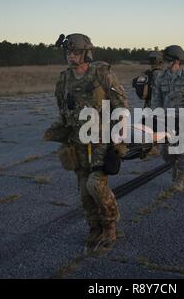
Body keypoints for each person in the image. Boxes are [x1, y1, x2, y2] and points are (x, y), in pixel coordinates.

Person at [43, 34, 129, 255]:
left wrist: (118, 139)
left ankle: (110, 227)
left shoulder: (102, 73)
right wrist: (58, 133)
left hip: (101, 139)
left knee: (96, 185)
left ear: (87, 53)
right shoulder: (63, 79)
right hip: (77, 141)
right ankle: (94, 228)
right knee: (83, 191)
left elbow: (121, 106)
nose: (72, 55)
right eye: (69, 52)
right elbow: (63, 110)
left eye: (76, 52)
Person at [151, 45, 184, 192]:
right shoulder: (161, 77)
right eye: (164, 59)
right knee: (165, 152)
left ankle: (180, 180)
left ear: (176, 60)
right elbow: (156, 99)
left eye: (167, 59)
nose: (165, 62)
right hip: (166, 121)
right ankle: (174, 167)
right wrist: (155, 117)